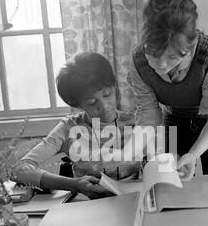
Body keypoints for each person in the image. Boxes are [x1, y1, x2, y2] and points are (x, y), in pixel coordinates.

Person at [128, 0, 208, 181]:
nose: (160, 66)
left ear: (191, 45)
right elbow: (149, 115)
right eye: (152, 52)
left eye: (171, 58)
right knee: (174, 179)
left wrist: (193, 155)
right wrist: (152, 153)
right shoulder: (138, 62)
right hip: (175, 119)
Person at [12, 53, 140, 199]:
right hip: (87, 206)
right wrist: (74, 184)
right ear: (77, 104)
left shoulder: (137, 123)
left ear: (115, 87)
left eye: (107, 94)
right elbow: (18, 170)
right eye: (92, 102)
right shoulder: (69, 128)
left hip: (132, 201)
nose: (105, 106)